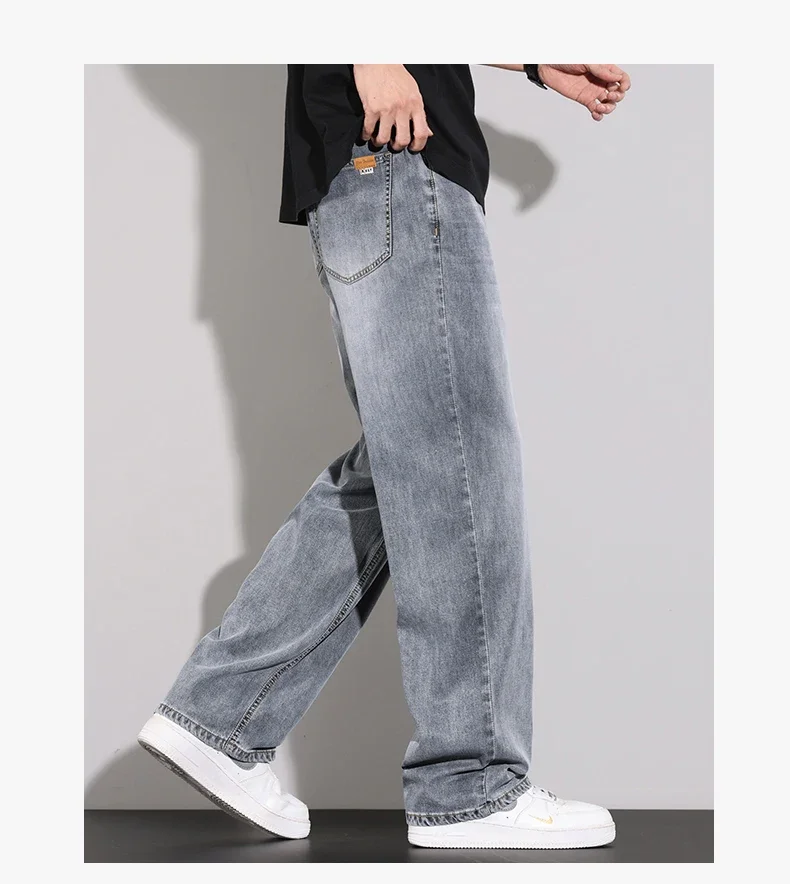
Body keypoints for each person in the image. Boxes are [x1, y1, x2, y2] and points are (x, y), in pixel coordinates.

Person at [138, 63, 631, 850]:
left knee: (417, 462)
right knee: (459, 466)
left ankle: (220, 717)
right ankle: (470, 785)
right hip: (402, 163)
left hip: (372, 175)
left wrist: (537, 62)